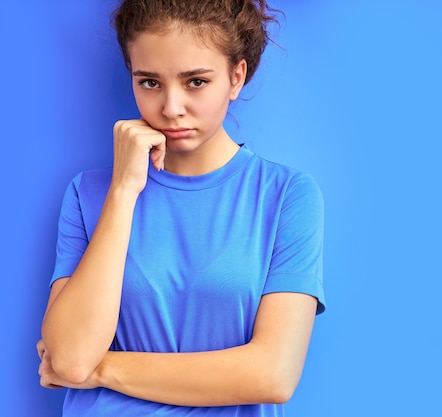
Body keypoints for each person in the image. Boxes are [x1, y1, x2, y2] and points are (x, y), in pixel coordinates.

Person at [36, 0, 325, 415]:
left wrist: (101, 371)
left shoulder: (287, 196)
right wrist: (123, 192)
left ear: (236, 76)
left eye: (195, 82)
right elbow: (69, 357)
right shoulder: (89, 193)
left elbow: (272, 375)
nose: (171, 108)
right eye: (150, 82)